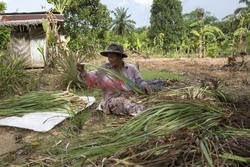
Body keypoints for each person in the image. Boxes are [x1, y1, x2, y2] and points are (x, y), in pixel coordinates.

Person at [76, 42, 151, 116]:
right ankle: (145, 113)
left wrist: (144, 86)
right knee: (123, 103)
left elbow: (139, 81)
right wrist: (82, 71)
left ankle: (144, 109)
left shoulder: (131, 68)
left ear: (120, 57)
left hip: (131, 98)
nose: (109, 59)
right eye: (109, 57)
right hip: (111, 101)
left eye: (112, 57)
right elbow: (89, 78)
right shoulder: (103, 69)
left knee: (147, 100)